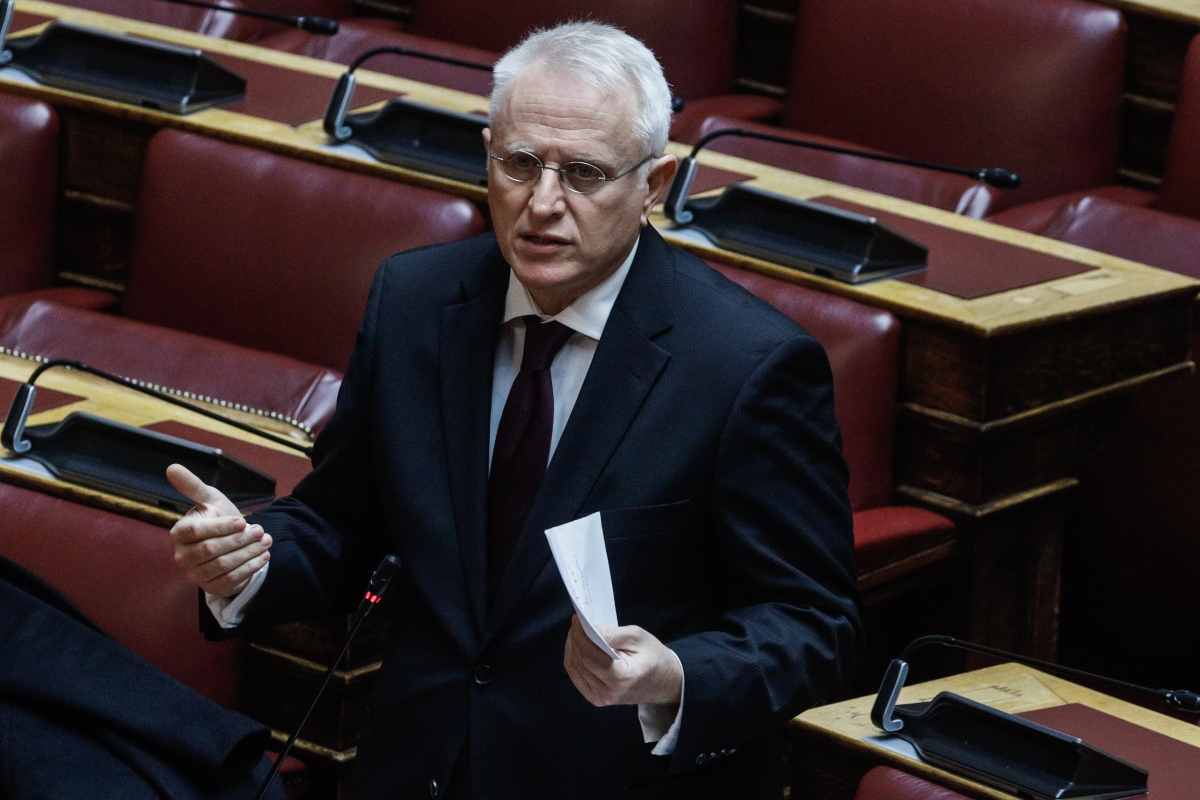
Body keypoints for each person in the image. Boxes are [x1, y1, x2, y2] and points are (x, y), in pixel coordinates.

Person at [167, 21, 863, 800]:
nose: (543, 203)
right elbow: (343, 520)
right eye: (520, 164)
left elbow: (814, 623)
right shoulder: (416, 302)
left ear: (653, 185)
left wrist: (677, 673)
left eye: (584, 174)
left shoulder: (747, 366)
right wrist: (251, 560)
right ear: (488, 152)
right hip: (420, 772)